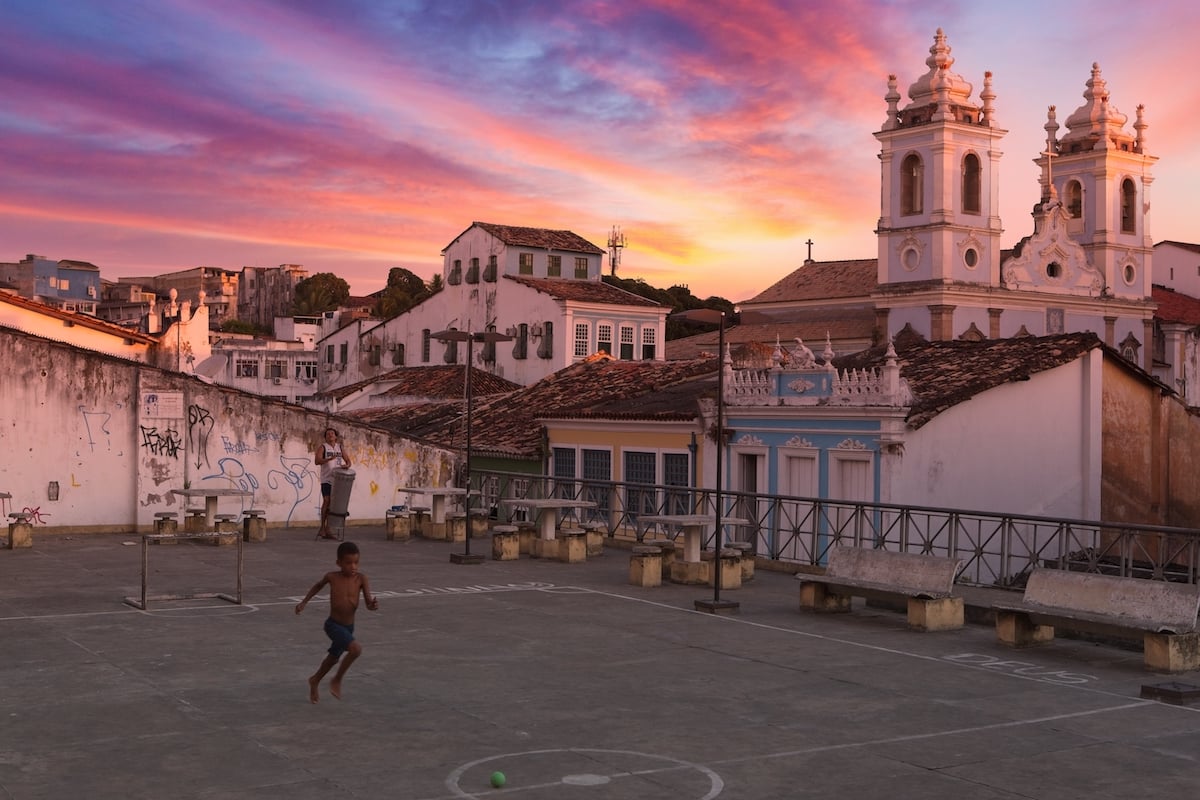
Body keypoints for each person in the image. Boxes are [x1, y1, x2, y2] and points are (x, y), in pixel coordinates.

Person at [295, 540, 379, 703]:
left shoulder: (361, 579)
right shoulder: (332, 577)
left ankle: (315, 680)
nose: (353, 567)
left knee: (333, 658)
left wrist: (373, 605)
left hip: (349, 627)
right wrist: (304, 602)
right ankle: (337, 679)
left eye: (356, 562)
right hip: (333, 625)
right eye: (348, 563)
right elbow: (317, 586)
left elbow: (368, 603)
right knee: (355, 649)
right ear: (338, 563)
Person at [315, 427, 352, 539]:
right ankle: (322, 527)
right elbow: (317, 461)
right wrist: (329, 459)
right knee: (326, 500)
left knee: (333, 504)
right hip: (327, 479)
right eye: (328, 434)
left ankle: (328, 529)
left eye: (332, 433)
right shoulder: (323, 447)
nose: (330, 435)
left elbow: (348, 461)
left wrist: (347, 465)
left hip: (338, 480)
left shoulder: (340, 447)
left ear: (336, 436)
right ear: (325, 437)